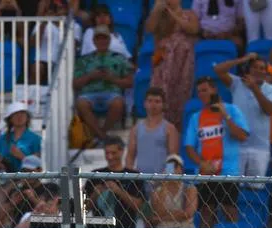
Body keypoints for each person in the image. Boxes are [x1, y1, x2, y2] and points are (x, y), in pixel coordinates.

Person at [184, 76, 249, 228]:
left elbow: (242, 136)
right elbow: (189, 147)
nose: (201, 94)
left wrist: (225, 115)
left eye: (205, 90)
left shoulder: (232, 110)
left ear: (214, 89)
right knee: (206, 213)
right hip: (205, 173)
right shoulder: (196, 117)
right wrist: (201, 163)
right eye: (199, 91)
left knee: (229, 211)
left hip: (228, 172)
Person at [215, 53, 272, 178]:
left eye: (262, 68)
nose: (258, 70)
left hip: (259, 148)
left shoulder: (271, 89)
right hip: (237, 146)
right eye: (255, 67)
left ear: (265, 73)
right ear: (248, 69)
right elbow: (218, 70)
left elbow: (269, 110)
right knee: (233, 186)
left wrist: (254, 88)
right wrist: (243, 59)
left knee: (255, 188)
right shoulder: (237, 83)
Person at [72, 25, 133, 143]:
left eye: (104, 38)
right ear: (94, 41)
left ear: (109, 40)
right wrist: (90, 76)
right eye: (98, 38)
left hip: (112, 93)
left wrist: (112, 79)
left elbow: (130, 82)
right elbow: (75, 84)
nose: (102, 41)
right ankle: (103, 136)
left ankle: (100, 134)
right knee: (81, 103)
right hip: (89, 94)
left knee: (118, 103)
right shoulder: (84, 60)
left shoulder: (119, 58)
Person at [146, 0, 199, 129]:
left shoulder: (189, 14)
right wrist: (156, 10)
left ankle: (178, 128)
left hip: (183, 61)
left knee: (181, 92)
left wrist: (174, 14)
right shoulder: (161, 16)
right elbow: (149, 28)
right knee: (161, 90)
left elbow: (193, 29)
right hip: (164, 60)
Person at [124, 86, 179, 177]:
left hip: (162, 180)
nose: (153, 105)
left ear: (163, 104)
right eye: (150, 101)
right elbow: (130, 156)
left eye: (157, 101)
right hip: (140, 180)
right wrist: (130, 176)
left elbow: (173, 157)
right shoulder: (136, 129)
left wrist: (167, 176)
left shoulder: (170, 129)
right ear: (145, 103)